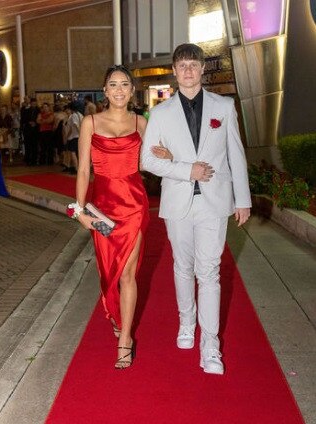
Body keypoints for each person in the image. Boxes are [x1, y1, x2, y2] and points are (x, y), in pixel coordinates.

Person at [141, 43, 252, 375]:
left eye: (193, 64)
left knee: (209, 273)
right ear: (174, 72)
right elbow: (146, 160)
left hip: (214, 202)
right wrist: (185, 169)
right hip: (178, 202)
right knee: (182, 268)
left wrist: (242, 199)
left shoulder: (224, 106)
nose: (188, 70)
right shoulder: (160, 114)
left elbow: (236, 154)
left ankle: (211, 345)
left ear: (203, 69)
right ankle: (186, 323)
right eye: (182, 65)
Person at [70, 65, 149, 369]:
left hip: (134, 206)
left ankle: (125, 338)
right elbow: (83, 170)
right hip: (101, 209)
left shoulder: (141, 123)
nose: (118, 90)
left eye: (124, 85)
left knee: (127, 274)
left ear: (132, 90)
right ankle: (117, 315)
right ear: (104, 91)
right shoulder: (90, 122)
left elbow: (155, 157)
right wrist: (79, 211)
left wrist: (167, 156)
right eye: (112, 85)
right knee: (108, 275)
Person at [63, 102, 83, 174]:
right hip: (78, 137)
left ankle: (76, 168)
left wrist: (68, 135)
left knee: (73, 153)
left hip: (74, 137)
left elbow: (75, 125)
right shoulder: (80, 114)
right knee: (78, 153)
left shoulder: (74, 115)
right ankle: (78, 168)